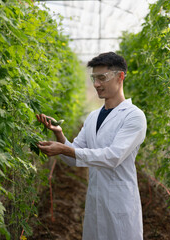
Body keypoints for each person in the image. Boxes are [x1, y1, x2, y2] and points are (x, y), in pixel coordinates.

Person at [36, 52, 147, 240]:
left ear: (120, 77)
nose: (96, 84)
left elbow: (112, 157)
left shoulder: (134, 116)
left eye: (102, 78)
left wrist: (65, 149)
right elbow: (73, 158)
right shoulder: (93, 117)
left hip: (120, 203)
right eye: (94, 78)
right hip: (96, 200)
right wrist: (59, 134)